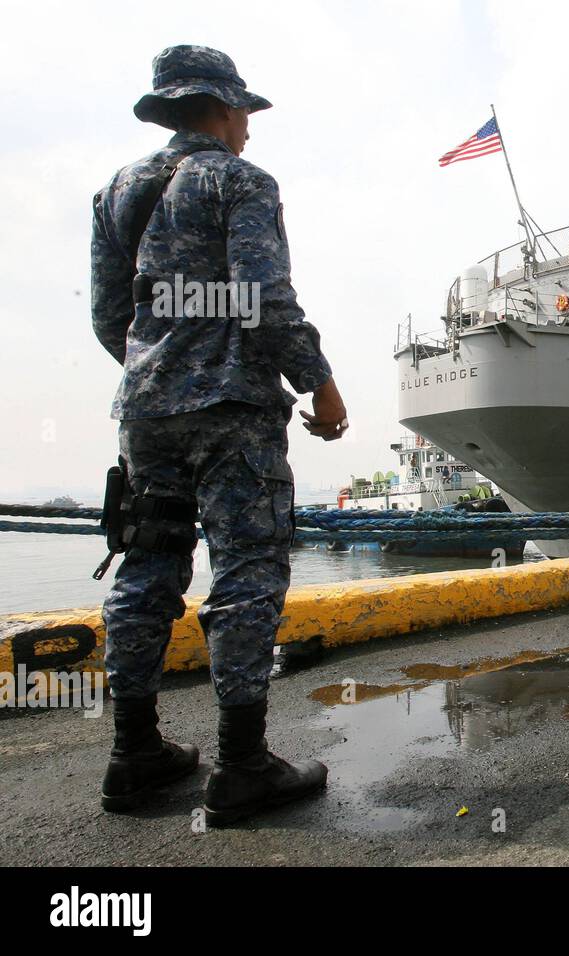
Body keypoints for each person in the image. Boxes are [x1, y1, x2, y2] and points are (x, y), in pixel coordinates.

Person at [92, 45, 347, 825]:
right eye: (244, 114)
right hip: (232, 412)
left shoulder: (117, 190)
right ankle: (242, 766)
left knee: (147, 565)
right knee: (247, 574)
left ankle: (134, 755)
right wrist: (319, 382)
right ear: (221, 108)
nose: (248, 130)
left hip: (145, 413)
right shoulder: (240, 182)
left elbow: (110, 315)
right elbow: (264, 296)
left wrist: (159, 369)